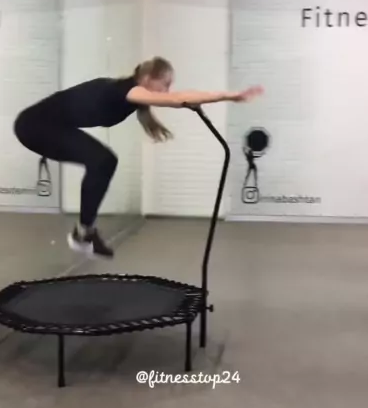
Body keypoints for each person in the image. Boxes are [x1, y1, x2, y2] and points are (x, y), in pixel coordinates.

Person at [14, 57, 263, 258]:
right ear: (147, 79)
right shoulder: (127, 90)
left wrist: (194, 99)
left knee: (104, 160)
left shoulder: (130, 95)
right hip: (34, 126)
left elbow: (175, 97)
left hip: (47, 126)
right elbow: (177, 99)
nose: (167, 90)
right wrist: (229, 96)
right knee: (101, 160)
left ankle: (85, 231)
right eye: (164, 84)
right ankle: (84, 233)